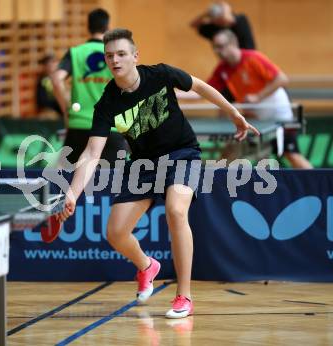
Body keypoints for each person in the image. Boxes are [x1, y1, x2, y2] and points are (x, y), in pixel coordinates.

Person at [57, 28, 259, 318]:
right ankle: (146, 266)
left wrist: (233, 114)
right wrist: (73, 193)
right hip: (143, 164)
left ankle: (184, 296)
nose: (116, 60)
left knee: (176, 212)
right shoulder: (106, 104)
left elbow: (200, 86)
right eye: (110, 55)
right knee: (115, 233)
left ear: (135, 56)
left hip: (182, 153)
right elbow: (91, 153)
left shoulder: (160, 74)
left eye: (122, 54)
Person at [207, 29, 312, 168]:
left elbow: (282, 79)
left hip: (278, 115)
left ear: (233, 43)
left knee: (292, 155)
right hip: (256, 119)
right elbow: (202, 90)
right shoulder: (222, 70)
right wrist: (177, 91)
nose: (217, 51)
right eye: (214, 47)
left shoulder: (252, 58)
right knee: (231, 152)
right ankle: (213, 187)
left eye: (220, 46)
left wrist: (258, 96)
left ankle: (321, 188)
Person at [51, 8, 128, 164]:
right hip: (111, 129)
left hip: (78, 126)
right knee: (113, 185)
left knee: (70, 183)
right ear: (108, 27)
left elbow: (57, 79)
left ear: (88, 27)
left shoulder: (75, 53)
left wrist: (67, 111)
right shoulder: (116, 54)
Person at [190, 1, 256, 49]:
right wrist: (206, 13)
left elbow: (229, 20)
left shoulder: (240, 20)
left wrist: (225, 7)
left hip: (249, 56)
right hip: (229, 62)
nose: (220, 21)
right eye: (216, 19)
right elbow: (193, 25)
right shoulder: (214, 27)